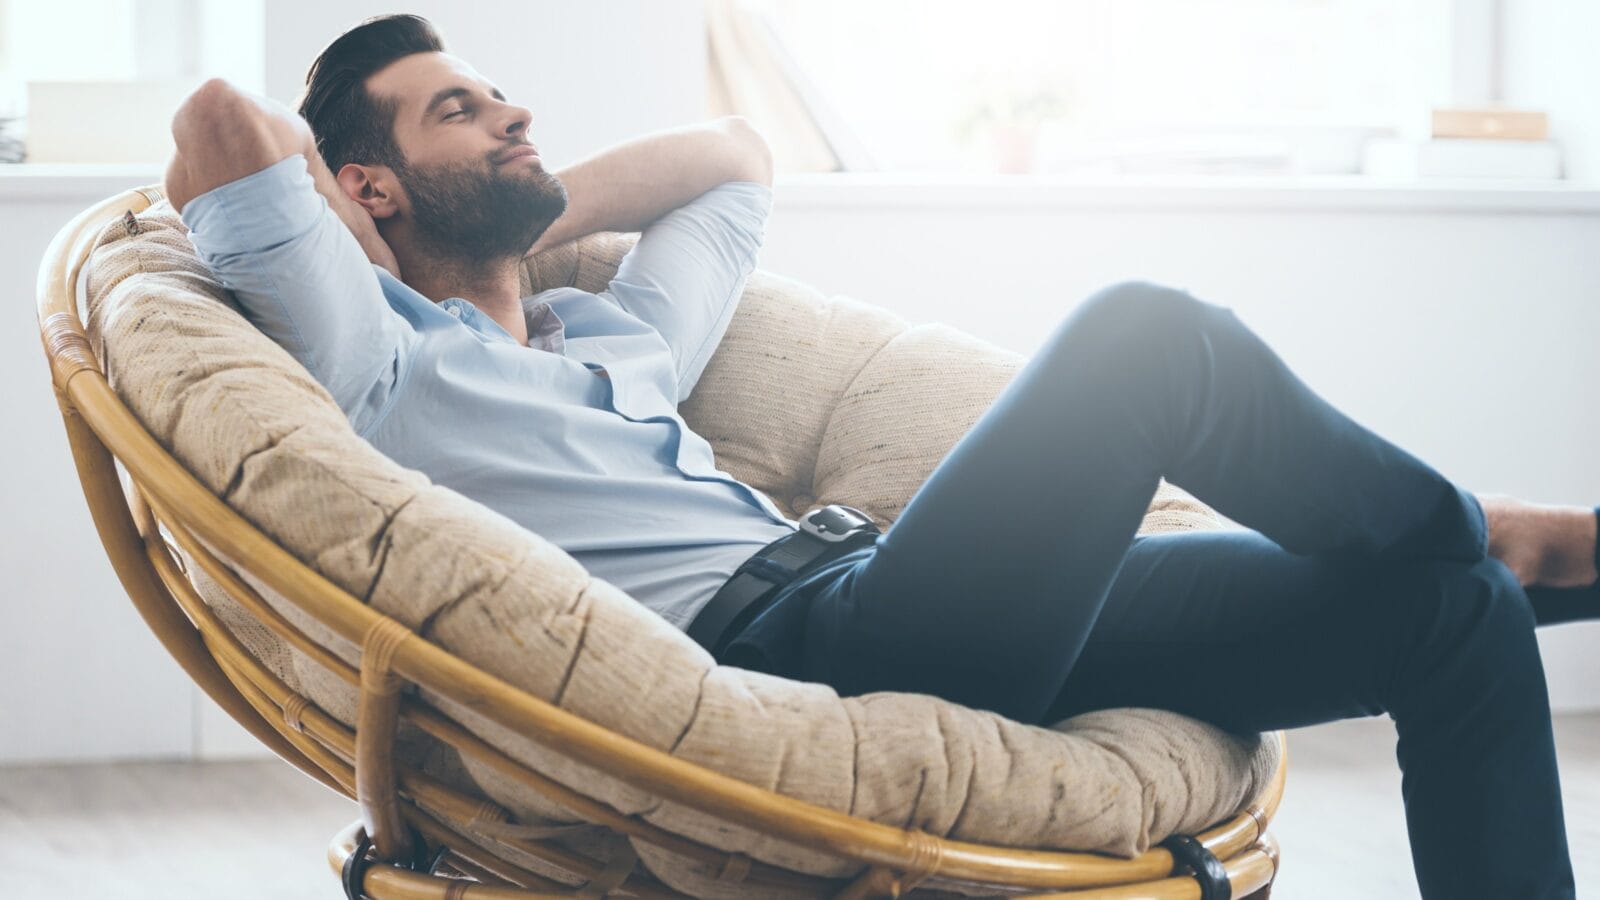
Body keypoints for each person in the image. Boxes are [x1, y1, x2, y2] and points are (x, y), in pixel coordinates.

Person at [160, 14, 1595, 900]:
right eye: (458, 111)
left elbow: (737, 154)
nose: (513, 114)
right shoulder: (386, 360)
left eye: (499, 94)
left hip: (897, 593)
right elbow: (222, 126)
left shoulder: (614, 328)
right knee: (1147, 338)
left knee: (1445, 616)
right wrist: (386, 236)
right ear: (363, 185)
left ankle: (1473, 559)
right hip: (795, 648)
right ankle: (1489, 524)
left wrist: (506, 212)